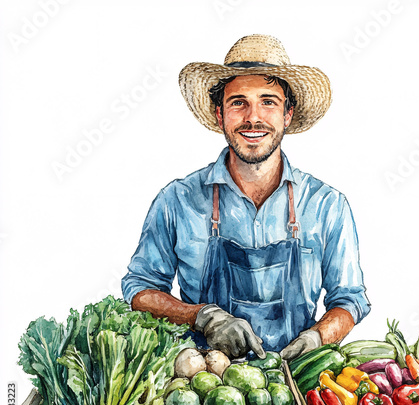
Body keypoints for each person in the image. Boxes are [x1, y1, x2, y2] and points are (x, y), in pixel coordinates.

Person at [121, 34, 370, 361]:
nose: (254, 117)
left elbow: (350, 299)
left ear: (288, 114)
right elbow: (139, 290)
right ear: (219, 114)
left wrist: (319, 336)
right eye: (239, 102)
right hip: (203, 383)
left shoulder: (328, 205)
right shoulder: (176, 200)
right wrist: (202, 316)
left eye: (268, 101)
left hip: (293, 383)